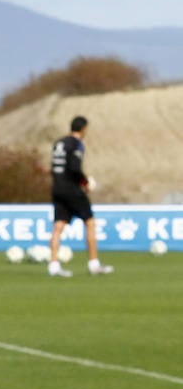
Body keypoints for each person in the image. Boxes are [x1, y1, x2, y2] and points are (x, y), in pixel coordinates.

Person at [49, 115, 112, 276]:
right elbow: (75, 168)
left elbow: (55, 167)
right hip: (71, 188)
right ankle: (94, 264)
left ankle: (54, 265)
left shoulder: (59, 143)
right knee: (90, 222)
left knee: (58, 226)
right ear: (84, 129)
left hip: (57, 187)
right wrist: (85, 183)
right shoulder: (76, 144)